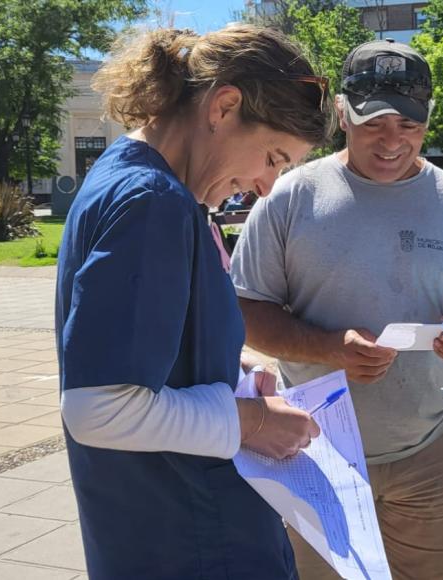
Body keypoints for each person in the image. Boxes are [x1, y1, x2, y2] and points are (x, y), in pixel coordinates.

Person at [230, 39, 443, 579]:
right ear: (342, 113)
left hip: (427, 452)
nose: (393, 141)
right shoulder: (289, 198)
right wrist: (328, 350)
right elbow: (247, 309)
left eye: (409, 125)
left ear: (428, 120)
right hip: (316, 452)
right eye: (374, 124)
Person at [55, 25, 332, 579]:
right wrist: (253, 422)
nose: (267, 186)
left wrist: (225, 359)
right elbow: (99, 409)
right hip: (189, 541)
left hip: (158, 532)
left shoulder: (141, 182)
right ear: (224, 106)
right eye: (273, 157)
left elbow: (139, 339)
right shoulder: (153, 203)